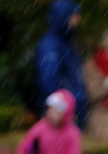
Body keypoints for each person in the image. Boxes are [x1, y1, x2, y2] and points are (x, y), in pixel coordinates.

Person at [36, 0, 88, 129]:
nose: (77, 20)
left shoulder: (67, 43)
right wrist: (61, 108)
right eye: (74, 16)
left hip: (72, 111)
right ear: (64, 17)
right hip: (63, 115)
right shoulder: (51, 45)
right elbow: (48, 78)